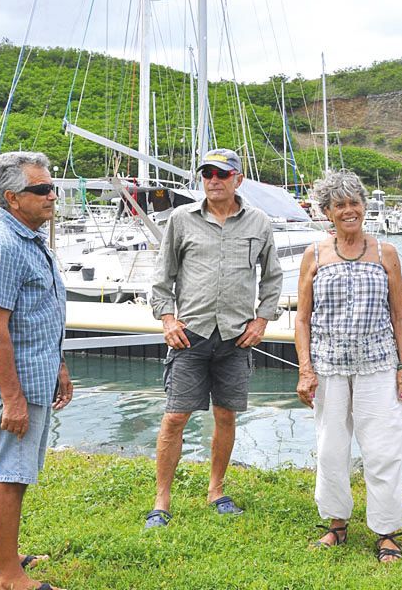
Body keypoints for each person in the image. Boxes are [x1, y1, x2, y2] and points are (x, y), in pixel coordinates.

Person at [146, 148, 284, 527]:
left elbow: (272, 277)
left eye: (222, 174)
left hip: (236, 338)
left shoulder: (259, 222)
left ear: (238, 179)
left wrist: (262, 320)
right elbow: (162, 276)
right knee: (175, 416)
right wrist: (167, 319)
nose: (214, 180)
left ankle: (216, 490)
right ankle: (161, 500)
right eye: (207, 173)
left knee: (226, 415)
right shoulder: (181, 219)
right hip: (190, 335)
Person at [294, 170, 402, 563]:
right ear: (327, 212)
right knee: (331, 448)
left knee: (383, 449)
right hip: (328, 367)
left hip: (378, 365)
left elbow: (399, 315)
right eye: (339, 205)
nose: (349, 210)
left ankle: (386, 530)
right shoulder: (314, 255)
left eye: (355, 203)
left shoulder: (385, 253)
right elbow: (302, 320)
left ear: (364, 206)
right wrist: (305, 369)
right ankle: (336, 523)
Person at [0, 151, 72, 590]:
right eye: (41, 189)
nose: (52, 195)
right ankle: (8, 577)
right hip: (20, 383)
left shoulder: (30, 240)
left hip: (37, 372)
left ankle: (0, 555)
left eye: (52, 187)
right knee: (12, 473)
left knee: (6, 464)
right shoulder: (4, 247)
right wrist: (12, 399)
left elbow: (40, 314)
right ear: (12, 197)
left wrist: (59, 365)